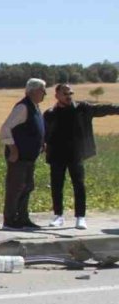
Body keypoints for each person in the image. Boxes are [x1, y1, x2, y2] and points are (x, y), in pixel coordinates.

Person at [43, 83, 119, 230]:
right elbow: (44, 133)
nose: (69, 96)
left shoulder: (82, 109)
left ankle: (80, 217)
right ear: (57, 95)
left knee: (79, 185)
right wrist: (42, 145)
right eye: (65, 93)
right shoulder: (50, 113)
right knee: (57, 185)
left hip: (76, 154)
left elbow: (103, 109)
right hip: (57, 155)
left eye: (71, 93)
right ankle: (58, 215)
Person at [0, 78, 47, 230]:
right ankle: (10, 220)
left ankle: (23, 218)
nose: (45, 93)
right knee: (15, 188)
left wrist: (41, 144)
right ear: (32, 91)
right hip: (18, 157)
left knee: (27, 186)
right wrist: (13, 149)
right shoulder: (23, 107)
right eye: (42, 90)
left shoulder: (35, 107)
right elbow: (5, 128)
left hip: (29, 157)